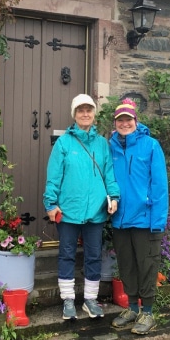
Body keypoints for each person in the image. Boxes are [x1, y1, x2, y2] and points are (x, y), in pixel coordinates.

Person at [43, 94, 120, 320]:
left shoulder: (101, 144)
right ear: (74, 114)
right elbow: (53, 176)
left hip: (95, 211)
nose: (85, 114)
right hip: (68, 211)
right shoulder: (64, 143)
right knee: (66, 255)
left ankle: (90, 300)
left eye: (89, 110)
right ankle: (68, 301)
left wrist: (113, 196)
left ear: (94, 114)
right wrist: (51, 203)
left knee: (94, 256)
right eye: (80, 110)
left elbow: (109, 174)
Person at [110, 99, 168, 335]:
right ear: (115, 123)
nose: (125, 123)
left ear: (136, 121)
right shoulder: (111, 147)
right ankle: (132, 308)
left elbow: (160, 186)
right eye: (120, 120)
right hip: (120, 219)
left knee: (146, 265)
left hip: (145, 219)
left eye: (128, 119)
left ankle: (148, 312)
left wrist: (158, 221)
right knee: (127, 265)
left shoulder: (151, 146)